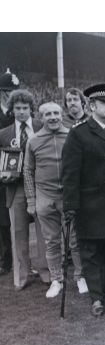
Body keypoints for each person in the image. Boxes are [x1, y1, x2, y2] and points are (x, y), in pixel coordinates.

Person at [62, 83, 105, 317]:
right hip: (90, 203)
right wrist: (71, 205)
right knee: (91, 251)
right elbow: (70, 173)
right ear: (92, 105)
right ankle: (96, 297)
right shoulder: (79, 133)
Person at [23, 102, 88, 298]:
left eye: (56, 113)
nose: (52, 117)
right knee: (51, 241)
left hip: (68, 196)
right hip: (45, 196)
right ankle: (56, 279)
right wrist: (31, 200)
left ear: (62, 115)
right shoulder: (33, 141)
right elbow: (28, 171)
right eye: (47, 114)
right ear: (40, 118)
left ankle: (80, 276)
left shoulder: (72, 135)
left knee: (76, 239)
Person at [0, 89, 49, 290]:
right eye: (17, 108)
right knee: (18, 233)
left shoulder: (42, 127)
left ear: (31, 109)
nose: (21, 112)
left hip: (41, 186)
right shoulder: (4, 134)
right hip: (15, 188)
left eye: (25, 108)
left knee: (43, 231)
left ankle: (47, 272)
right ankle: (22, 275)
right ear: (12, 110)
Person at [0, 68, 19, 277]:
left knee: (20, 218)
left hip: (19, 171)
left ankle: (20, 260)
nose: (10, 95)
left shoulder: (19, 112)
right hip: (1, 173)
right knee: (2, 220)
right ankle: (5, 261)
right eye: (7, 91)